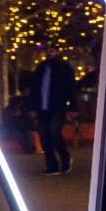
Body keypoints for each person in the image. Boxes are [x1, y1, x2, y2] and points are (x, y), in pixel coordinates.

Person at [30, 44, 77, 174]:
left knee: (54, 133)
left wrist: (73, 107)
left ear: (57, 52)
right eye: (47, 51)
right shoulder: (41, 68)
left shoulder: (64, 68)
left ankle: (65, 158)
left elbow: (71, 88)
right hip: (42, 107)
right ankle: (52, 165)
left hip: (57, 106)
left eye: (51, 51)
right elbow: (34, 89)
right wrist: (33, 107)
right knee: (44, 136)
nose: (49, 54)